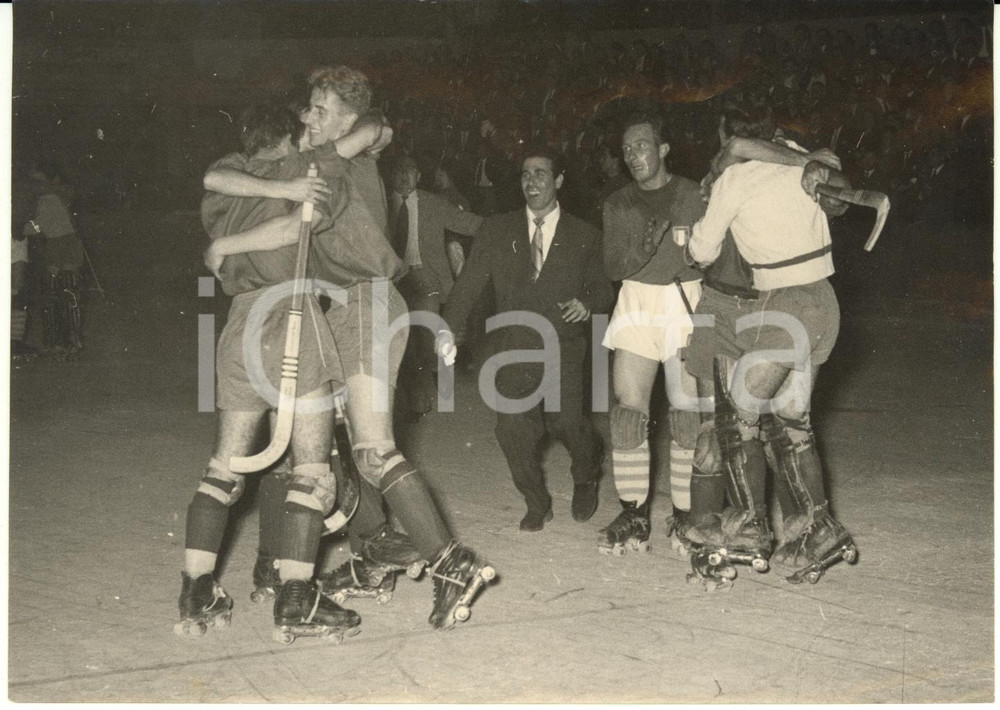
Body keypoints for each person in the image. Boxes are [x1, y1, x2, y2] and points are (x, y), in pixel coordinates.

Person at [203, 66, 496, 630]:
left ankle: (450, 562)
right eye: (307, 108)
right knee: (319, 448)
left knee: (372, 449)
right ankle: (371, 549)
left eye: (319, 109)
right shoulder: (317, 163)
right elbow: (226, 179)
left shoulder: (343, 162)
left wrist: (369, 131)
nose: (307, 117)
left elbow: (375, 132)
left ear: (345, 121)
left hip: (365, 303)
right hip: (334, 309)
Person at [177, 103, 361, 641]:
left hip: (239, 321)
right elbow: (290, 231)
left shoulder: (226, 184)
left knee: (223, 466)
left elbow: (214, 176)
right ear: (288, 140)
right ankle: (298, 599)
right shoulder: (300, 174)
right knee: (311, 469)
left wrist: (223, 245)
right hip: (291, 314)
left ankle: (195, 589)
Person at [684, 98, 857, 588]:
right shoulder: (804, 161)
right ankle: (816, 527)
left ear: (727, 137)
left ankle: (750, 524)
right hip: (825, 301)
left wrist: (697, 233)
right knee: (791, 419)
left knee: (738, 416)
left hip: (786, 305)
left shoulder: (735, 180)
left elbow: (702, 251)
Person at [437, 147, 613, 531]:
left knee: (568, 423)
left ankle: (586, 473)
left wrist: (587, 302)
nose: (531, 182)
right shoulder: (497, 229)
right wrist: (447, 327)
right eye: (525, 174)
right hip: (513, 346)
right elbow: (468, 284)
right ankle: (537, 501)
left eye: (541, 174)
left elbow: (603, 288)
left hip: (563, 345)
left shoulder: (585, 235)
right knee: (511, 429)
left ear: (559, 181)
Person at [597, 111, 705, 556]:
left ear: (662, 150)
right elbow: (612, 268)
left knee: (686, 412)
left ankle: (684, 514)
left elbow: (714, 255)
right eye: (626, 150)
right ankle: (634, 512)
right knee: (627, 411)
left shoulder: (695, 194)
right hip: (637, 301)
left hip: (685, 300)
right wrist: (642, 247)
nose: (632, 155)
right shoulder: (618, 203)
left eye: (641, 146)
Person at [387, 154, 483, 414]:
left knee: (427, 336)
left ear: (419, 176)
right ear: (391, 175)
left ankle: (433, 370)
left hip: (424, 279)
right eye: (399, 171)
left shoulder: (432, 203)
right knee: (400, 341)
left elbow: (466, 222)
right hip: (390, 281)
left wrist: (505, 227)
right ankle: (416, 397)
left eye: (411, 171)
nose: (405, 177)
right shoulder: (381, 204)